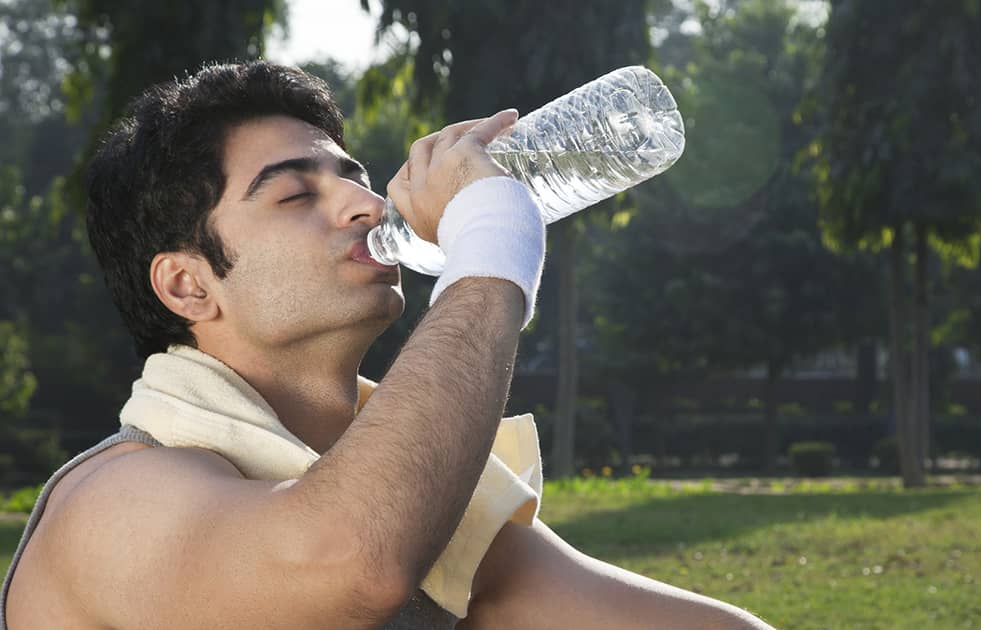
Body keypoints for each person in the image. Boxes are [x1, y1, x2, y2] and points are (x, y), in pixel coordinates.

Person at [0, 61, 772, 629]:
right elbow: (352, 563)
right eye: (296, 192)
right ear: (187, 286)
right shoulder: (113, 504)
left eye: (356, 177)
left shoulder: (413, 494)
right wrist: (490, 256)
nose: (367, 206)